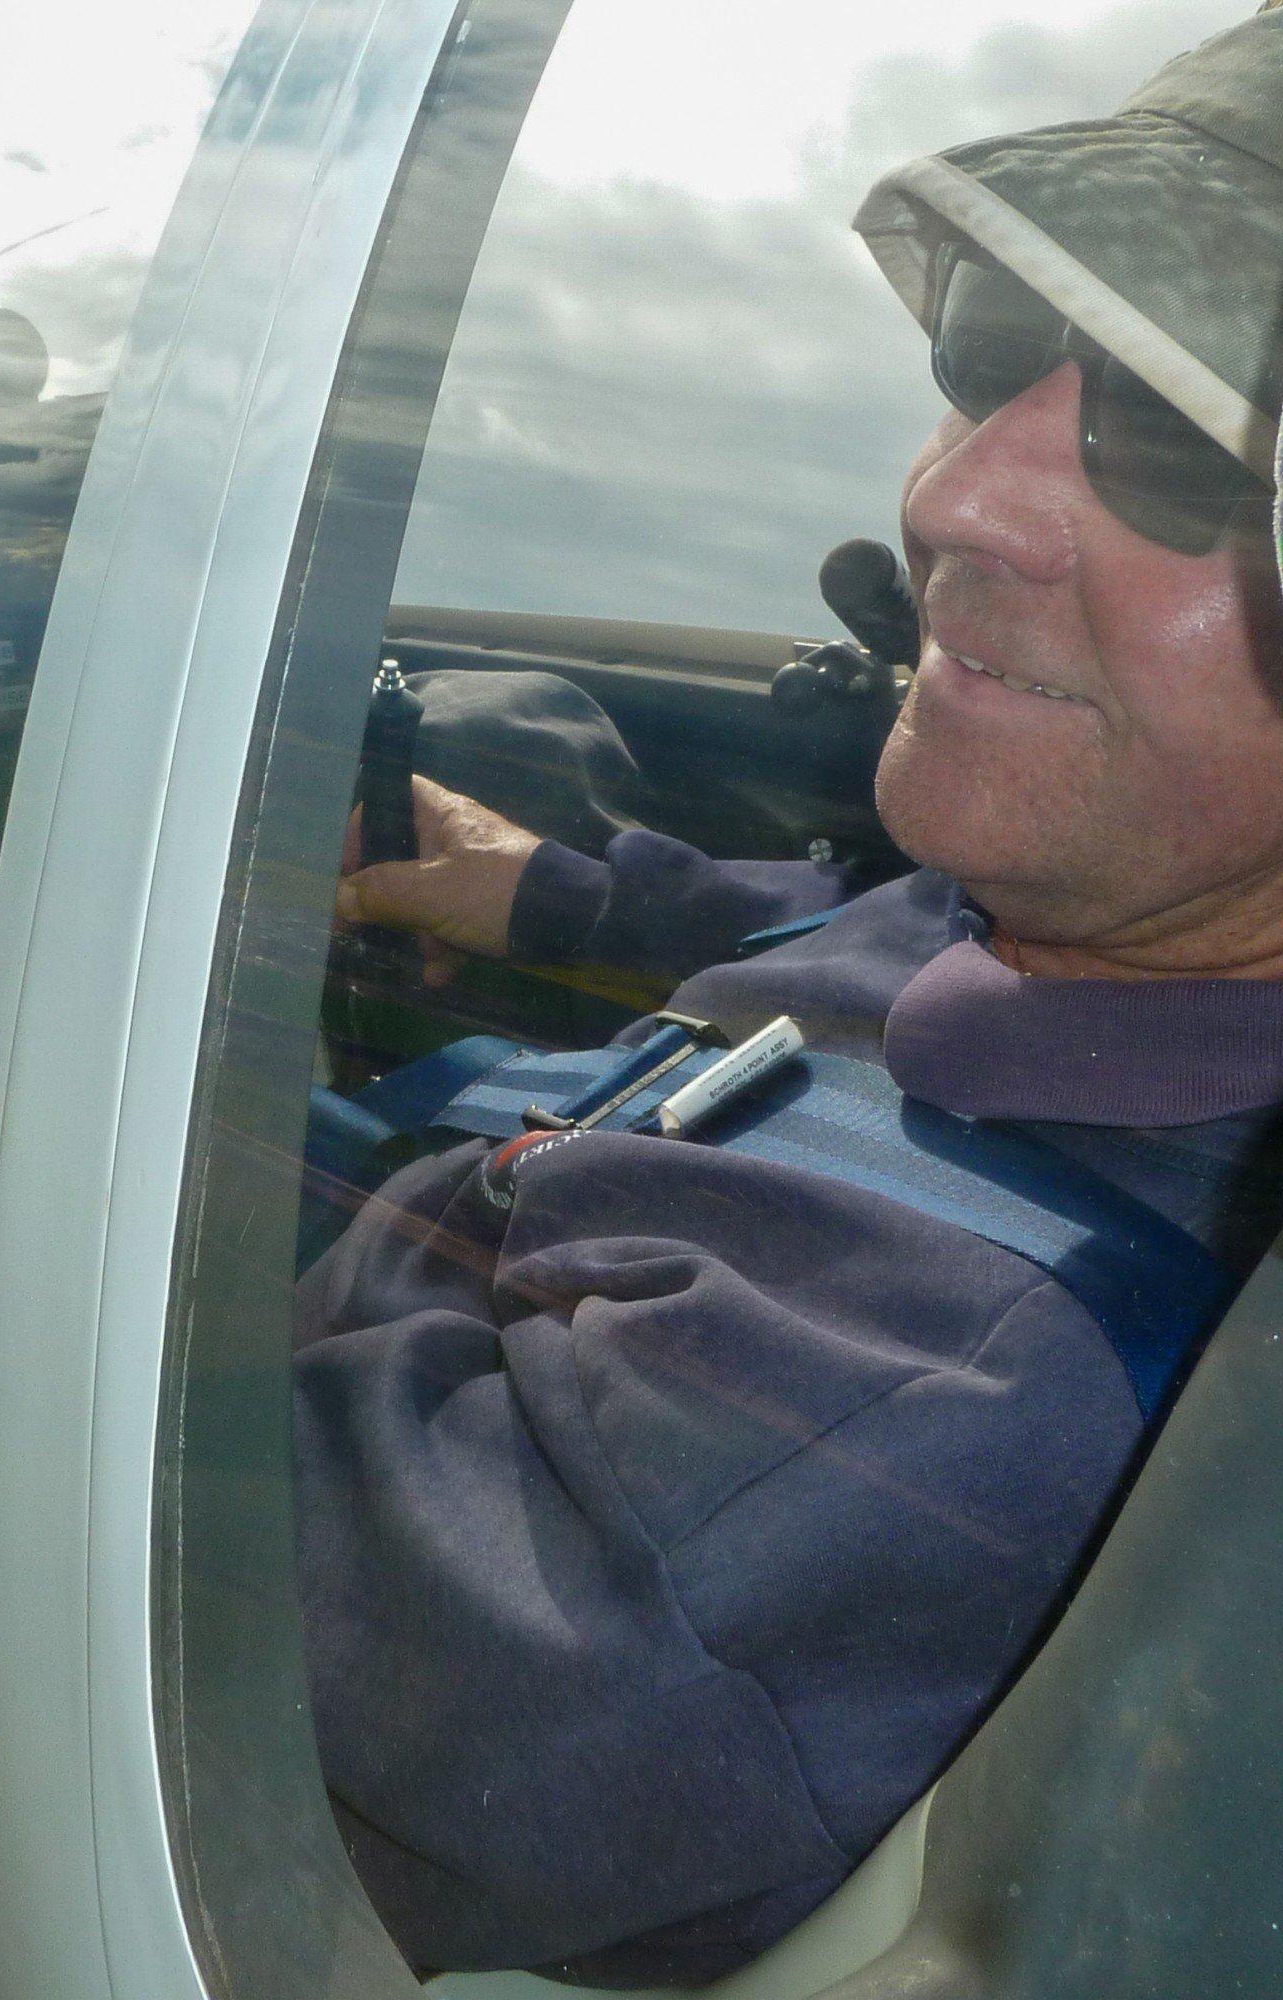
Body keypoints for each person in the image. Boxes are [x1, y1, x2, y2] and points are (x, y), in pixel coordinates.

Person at [296, 11, 1283, 1986]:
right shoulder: (1102, 904)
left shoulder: (927, 1416)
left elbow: (163, 1596)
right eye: (995, 345)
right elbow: (865, 922)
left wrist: (272, 1189)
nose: (952, 495)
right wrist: (557, 891)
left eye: (1188, 446)